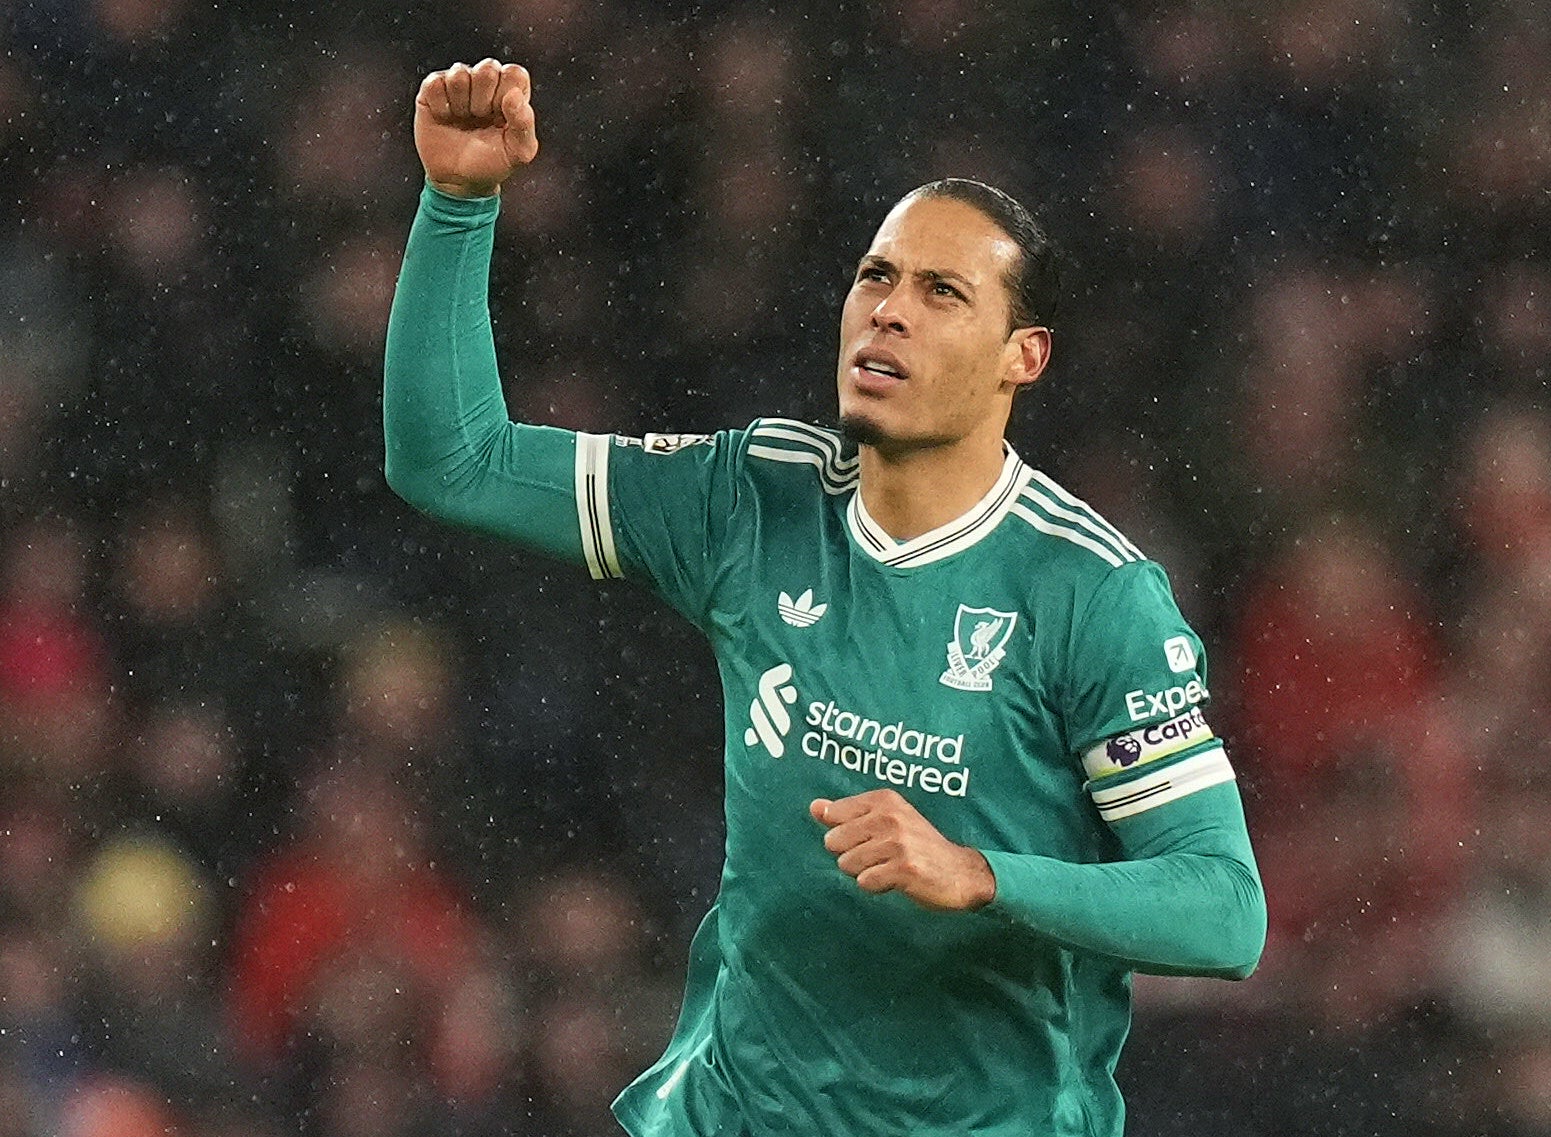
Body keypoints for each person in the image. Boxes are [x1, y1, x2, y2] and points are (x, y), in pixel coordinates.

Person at [384, 58, 1266, 1137]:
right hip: (733, 1113)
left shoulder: (1089, 595)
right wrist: (460, 201)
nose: (889, 313)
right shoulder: (756, 495)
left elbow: (1225, 912)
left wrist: (979, 874)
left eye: (942, 294)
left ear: (1021, 357)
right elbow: (454, 460)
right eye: (876, 277)